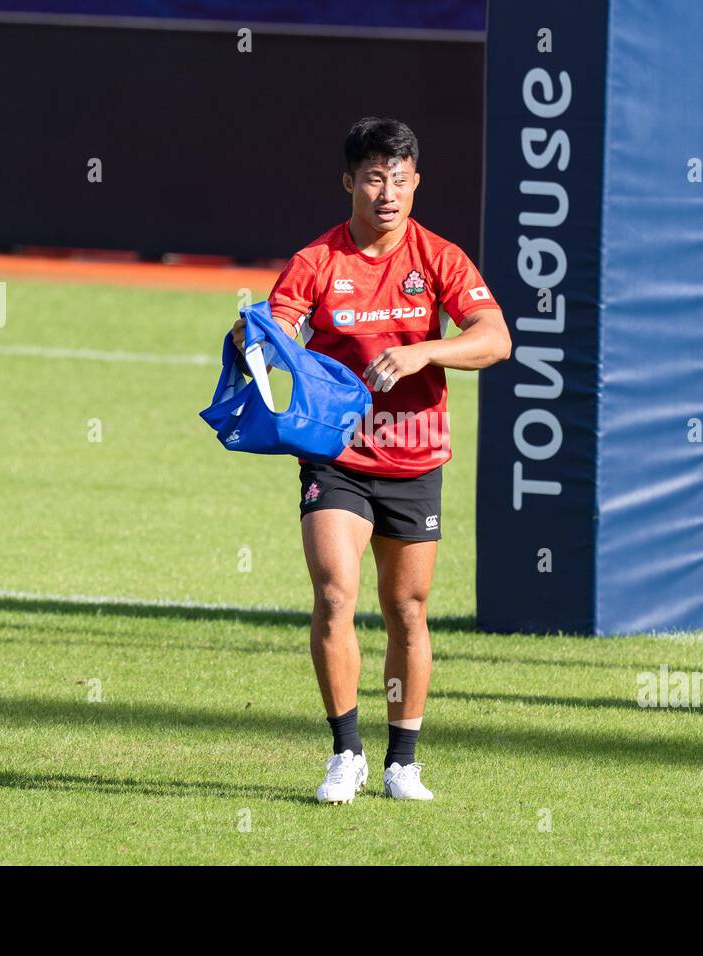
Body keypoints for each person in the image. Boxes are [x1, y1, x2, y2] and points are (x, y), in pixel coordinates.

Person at [232, 117, 511, 803]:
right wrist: (255, 339)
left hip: (416, 456)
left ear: (416, 183)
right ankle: (346, 753)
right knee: (334, 591)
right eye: (374, 177)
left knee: (407, 611)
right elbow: (276, 330)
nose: (387, 191)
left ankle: (402, 762)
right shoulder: (317, 261)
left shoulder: (438, 257)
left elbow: (496, 339)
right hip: (338, 456)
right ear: (350, 181)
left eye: (400, 178)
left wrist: (425, 351)